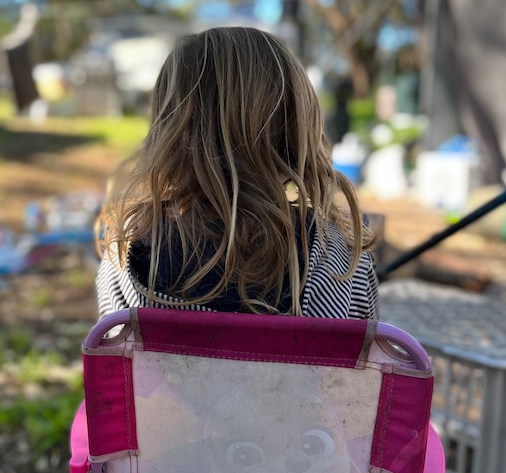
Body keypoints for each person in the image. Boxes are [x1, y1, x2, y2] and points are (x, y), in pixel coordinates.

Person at [96, 27, 379, 321]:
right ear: (296, 123)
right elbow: (361, 360)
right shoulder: (338, 258)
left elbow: (114, 359)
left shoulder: (128, 255)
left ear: (167, 129)